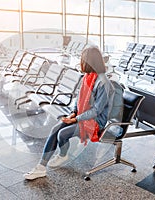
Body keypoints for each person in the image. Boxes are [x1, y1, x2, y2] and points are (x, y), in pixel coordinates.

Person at [24, 46, 116, 180]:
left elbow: (97, 110)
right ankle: (41, 167)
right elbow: (78, 99)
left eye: (83, 60)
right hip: (81, 117)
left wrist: (76, 119)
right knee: (56, 128)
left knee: (63, 134)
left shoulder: (103, 83)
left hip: (96, 122)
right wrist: (73, 113)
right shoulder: (87, 77)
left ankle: (63, 155)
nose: (80, 63)